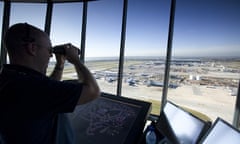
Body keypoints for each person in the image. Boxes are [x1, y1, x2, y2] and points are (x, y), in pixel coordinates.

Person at [0, 23, 100, 144]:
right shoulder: (35, 87)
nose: (51, 55)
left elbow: (48, 89)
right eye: (49, 50)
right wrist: (76, 60)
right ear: (32, 48)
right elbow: (92, 90)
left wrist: (60, 64)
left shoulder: (9, 78)